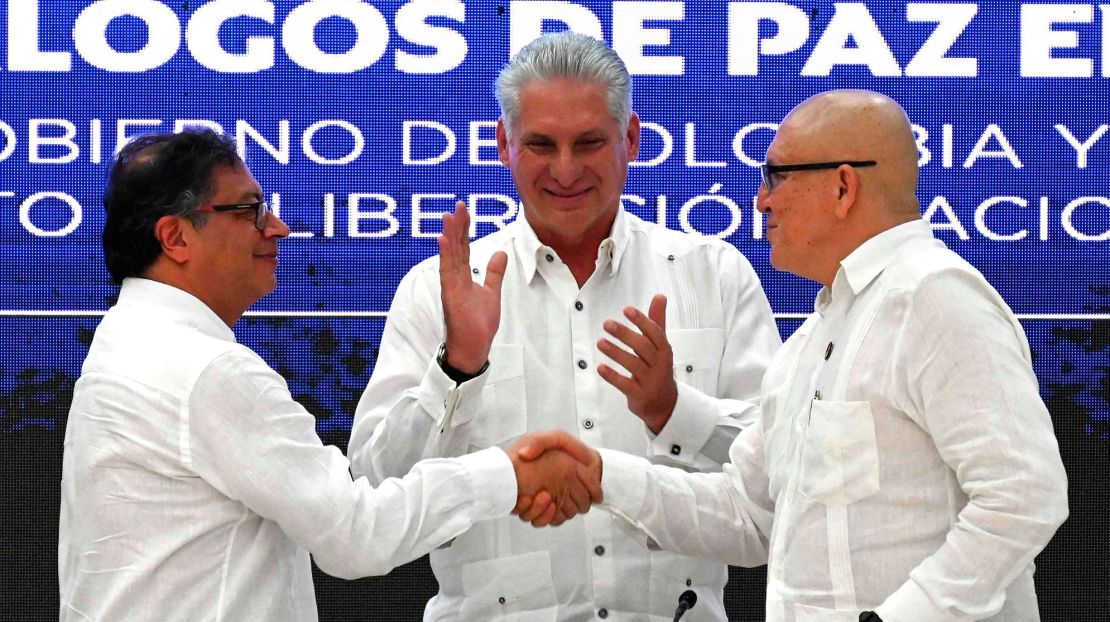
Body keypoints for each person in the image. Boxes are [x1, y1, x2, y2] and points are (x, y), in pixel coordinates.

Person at [523, 89, 1070, 621]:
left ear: (843, 186)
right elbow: (747, 512)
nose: (762, 198)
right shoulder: (811, 340)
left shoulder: (933, 297)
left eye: (777, 175)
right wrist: (600, 475)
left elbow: (1024, 496)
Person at [58, 129, 601, 621]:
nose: (277, 227)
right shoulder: (205, 369)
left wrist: (459, 363)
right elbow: (355, 537)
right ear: (175, 238)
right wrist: (508, 474)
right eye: (249, 210)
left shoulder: (128, 339)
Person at [347, 31, 781, 619]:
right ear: (504, 144)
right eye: (542, 145)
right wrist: (458, 369)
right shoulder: (439, 288)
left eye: (589, 142)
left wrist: (672, 410)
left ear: (630, 139)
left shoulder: (714, 275)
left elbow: (782, 485)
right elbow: (374, 495)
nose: (566, 170)